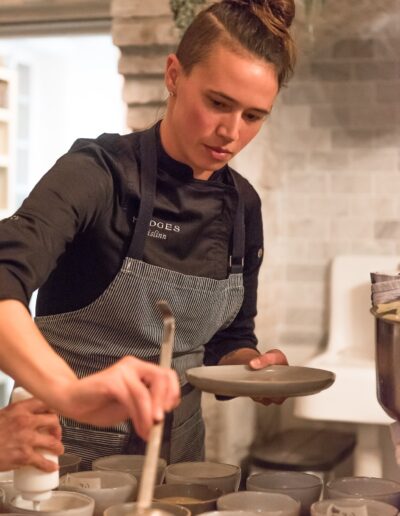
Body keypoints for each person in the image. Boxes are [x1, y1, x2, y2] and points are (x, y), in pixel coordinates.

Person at [0, 0, 296, 468]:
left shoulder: (243, 206)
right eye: (218, 103)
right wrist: (70, 393)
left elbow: (229, 338)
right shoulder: (97, 175)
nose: (231, 132)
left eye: (253, 116)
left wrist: (252, 369)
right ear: (174, 75)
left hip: (179, 470)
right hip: (63, 464)